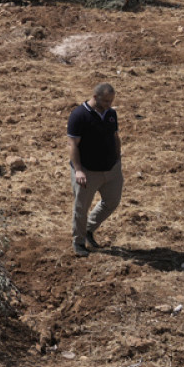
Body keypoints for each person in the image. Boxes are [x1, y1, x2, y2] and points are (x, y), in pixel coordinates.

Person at [66, 83, 122, 257]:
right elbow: (72, 145)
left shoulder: (111, 114)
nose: (109, 104)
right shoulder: (79, 115)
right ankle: (79, 242)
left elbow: (115, 136)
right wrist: (78, 170)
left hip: (111, 169)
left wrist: (118, 158)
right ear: (95, 97)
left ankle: (89, 229)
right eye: (106, 100)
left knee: (112, 201)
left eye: (111, 100)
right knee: (81, 208)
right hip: (87, 171)